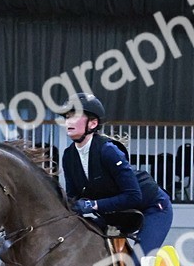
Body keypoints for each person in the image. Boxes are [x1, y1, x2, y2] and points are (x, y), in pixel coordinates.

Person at [59, 93, 173, 254]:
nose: (68, 121)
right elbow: (74, 198)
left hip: (153, 208)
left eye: (75, 116)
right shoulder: (69, 156)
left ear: (92, 124)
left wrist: (93, 205)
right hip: (117, 215)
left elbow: (133, 196)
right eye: (67, 117)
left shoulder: (108, 151)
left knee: (139, 265)